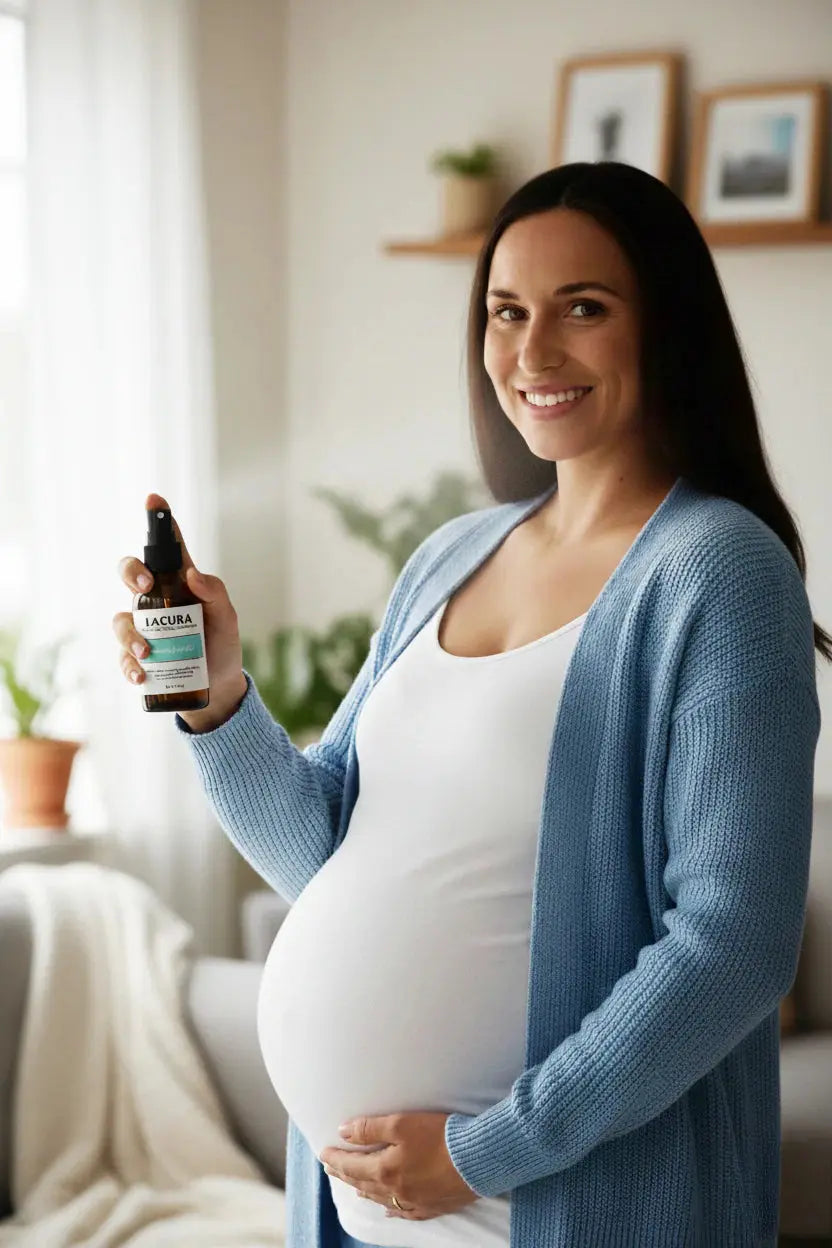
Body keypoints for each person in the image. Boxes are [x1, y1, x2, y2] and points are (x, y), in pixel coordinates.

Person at [112, 161, 828, 1248]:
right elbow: (326, 850)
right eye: (506, 312)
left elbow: (731, 944)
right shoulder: (455, 553)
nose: (532, 353)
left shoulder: (716, 572)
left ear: (664, 325)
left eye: (582, 309)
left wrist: (481, 1150)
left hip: (547, 1200)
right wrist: (216, 704)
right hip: (371, 1205)